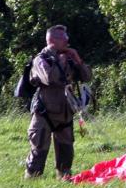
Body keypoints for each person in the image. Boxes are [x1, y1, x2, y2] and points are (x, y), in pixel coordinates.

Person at [25, 25, 92, 180]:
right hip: (44, 112)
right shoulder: (40, 60)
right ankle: (32, 181)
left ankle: (64, 179)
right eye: (64, 38)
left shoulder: (68, 57)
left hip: (65, 112)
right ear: (53, 40)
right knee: (39, 149)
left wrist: (77, 59)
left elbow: (87, 77)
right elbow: (50, 78)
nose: (67, 41)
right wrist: (60, 62)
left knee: (66, 149)